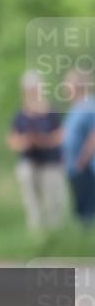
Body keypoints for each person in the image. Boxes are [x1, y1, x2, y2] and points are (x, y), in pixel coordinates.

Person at [7, 70, 68, 233]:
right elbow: (12, 140)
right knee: (32, 200)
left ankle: (56, 234)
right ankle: (37, 233)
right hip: (30, 161)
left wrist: (44, 140)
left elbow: (61, 136)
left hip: (50, 161)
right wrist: (24, 142)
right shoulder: (20, 115)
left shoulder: (51, 112)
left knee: (53, 200)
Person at [62, 68, 95, 224]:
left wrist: (83, 159)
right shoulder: (75, 107)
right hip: (75, 167)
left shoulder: (89, 105)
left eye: (68, 83)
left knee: (89, 210)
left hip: (86, 167)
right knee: (81, 210)